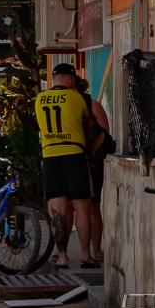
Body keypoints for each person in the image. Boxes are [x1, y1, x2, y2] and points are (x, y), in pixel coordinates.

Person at [32, 62, 111, 270]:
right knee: (82, 208)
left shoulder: (39, 99)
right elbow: (89, 124)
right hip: (74, 154)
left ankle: (63, 256)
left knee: (57, 211)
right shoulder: (76, 98)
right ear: (69, 79)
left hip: (50, 156)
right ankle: (86, 255)